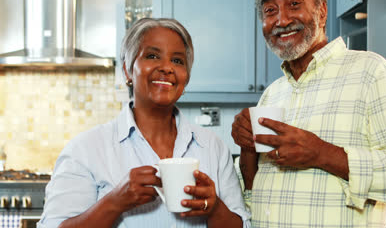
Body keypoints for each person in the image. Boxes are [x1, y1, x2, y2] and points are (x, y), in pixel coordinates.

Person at [231, 0, 386, 227]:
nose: (281, 20)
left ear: (322, 11)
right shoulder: (272, 94)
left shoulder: (371, 72)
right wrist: (247, 148)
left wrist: (320, 153)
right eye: (270, 10)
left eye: (294, 4)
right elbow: (250, 196)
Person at [38, 18, 250, 228]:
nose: (167, 67)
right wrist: (114, 202)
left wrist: (214, 209)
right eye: (152, 56)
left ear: (186, 77)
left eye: (177, 61)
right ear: (127, 71)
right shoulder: (86, 149)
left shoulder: (213, 147)